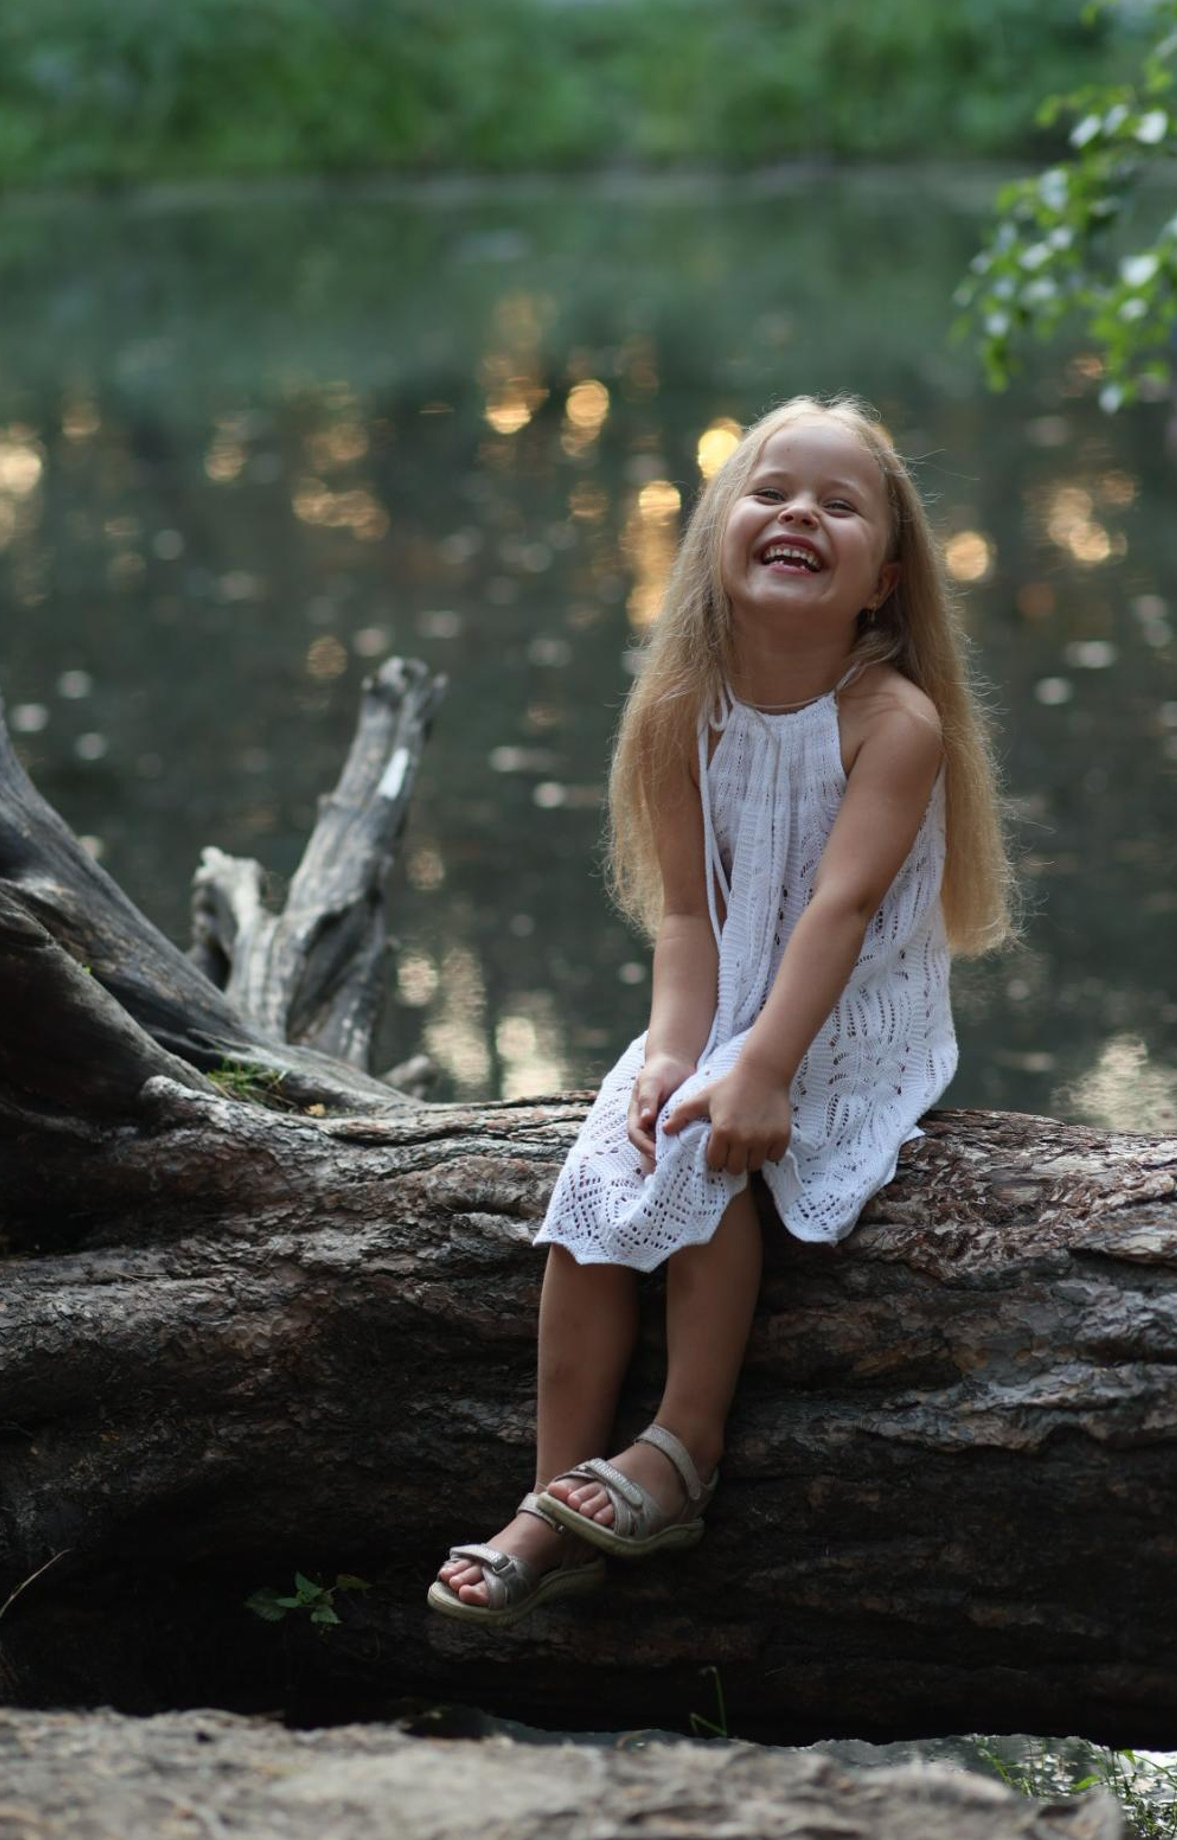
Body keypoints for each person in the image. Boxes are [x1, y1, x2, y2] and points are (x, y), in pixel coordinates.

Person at [427, 393, 1013, 1624]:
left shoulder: (890, 721)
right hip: (725, 1003)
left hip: (844, 1020)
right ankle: (552, 1503)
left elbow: (837, 919)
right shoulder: (674, 713)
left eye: (837, 505)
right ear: (714, 539)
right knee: (590, 1184)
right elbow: (688, 923)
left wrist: (751, 1072)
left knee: (703, 1152)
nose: (799, 511)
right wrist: (677, 1054)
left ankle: (680, 1449)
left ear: (883, 582)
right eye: (770, 491)